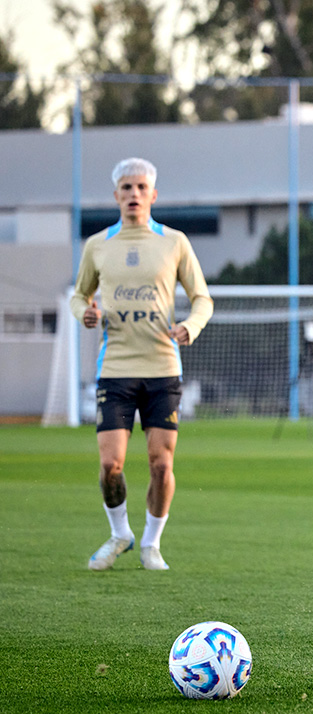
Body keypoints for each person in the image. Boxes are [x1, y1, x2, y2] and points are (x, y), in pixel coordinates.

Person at [71, 157, 214, 572]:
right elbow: (79, 295)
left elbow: (202, 297)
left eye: (140, 188)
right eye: (126, 188)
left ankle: (151, 543)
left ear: (153, 195)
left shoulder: (174, 242)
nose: (133, 194)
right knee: (110, 464)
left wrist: (192, 324)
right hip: (114, 368)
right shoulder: (97, 245)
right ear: (116, 195)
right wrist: (85, 313)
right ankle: (120, 534)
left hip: (163, 367)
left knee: (160, 463)